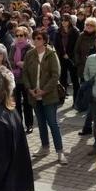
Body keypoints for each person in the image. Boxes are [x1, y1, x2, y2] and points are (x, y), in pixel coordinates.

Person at [23, 30, 67, 165]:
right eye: (34, 38)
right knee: (41, 123)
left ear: (44, 40)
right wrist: (30, 89)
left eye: (38, 38)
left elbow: (55, 75)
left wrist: (43, 90)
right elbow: (25, 73)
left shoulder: (51, 54)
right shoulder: (30, 54)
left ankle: (60, 152)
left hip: (49, 96)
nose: (35, 40)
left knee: (53, 123)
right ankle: (45, 147)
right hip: (34, 95)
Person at [9, 26, 34, 133]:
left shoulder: (30, 48)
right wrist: (18, 64)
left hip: (26, 79)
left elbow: (32, 63)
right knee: (17, 103)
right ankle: (19, 124)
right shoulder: (13, 47)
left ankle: (29, 124)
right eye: (17, 35)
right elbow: (9, 60)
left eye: (21, 35)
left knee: (28, 103)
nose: (19, 37)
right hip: (15, 78)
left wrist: (25, 65)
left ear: (26, 36)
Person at [54, 14, 80, 102]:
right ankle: (61, 97)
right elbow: (56, 45)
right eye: (62, 20)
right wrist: (62, 54)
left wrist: (69, 54)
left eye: (66, 20)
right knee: (62, 78)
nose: (64, 22)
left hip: (72, 58)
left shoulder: (75, 31)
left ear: (69, 21)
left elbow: (77, 46)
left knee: (74, 79)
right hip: (62, 57)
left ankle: (76, 99)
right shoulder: (58, 31)